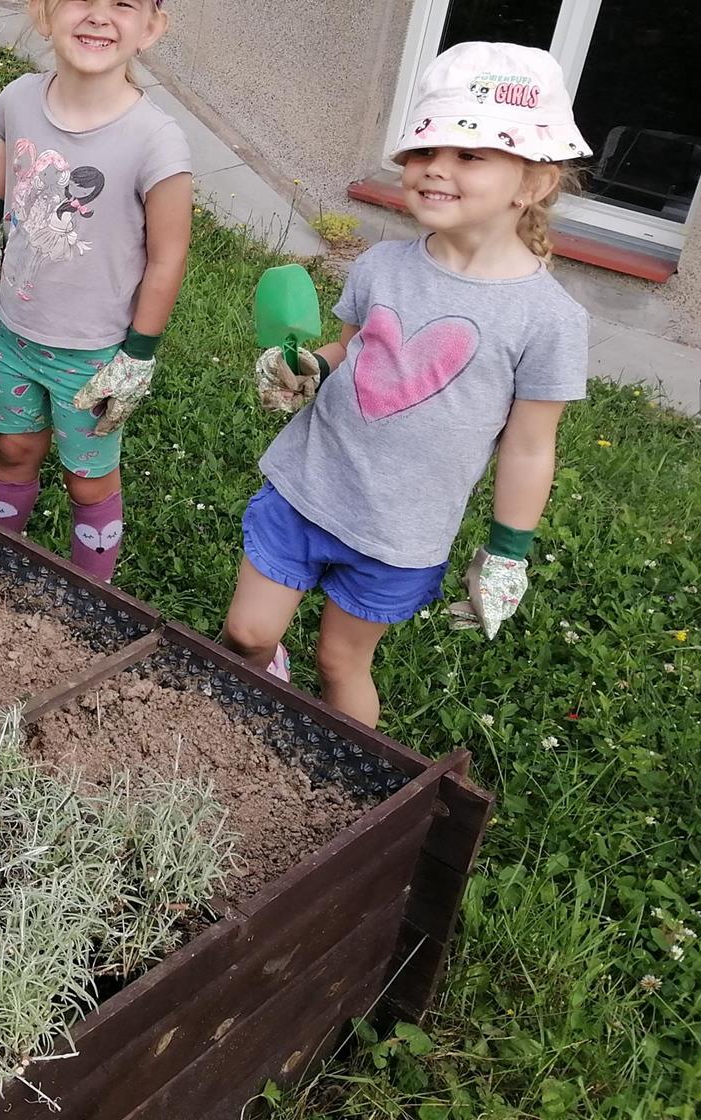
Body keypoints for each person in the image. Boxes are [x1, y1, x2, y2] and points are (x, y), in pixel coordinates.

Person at [222, 41, 591, 725]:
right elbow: (353, 346)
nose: (434, 169)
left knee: (340, 662)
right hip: (307, 485)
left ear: (534, 182)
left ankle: (346, 774)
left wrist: (508, 553)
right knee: (246, 634)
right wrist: (312, 367)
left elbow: (531, 447)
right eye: (424, 152)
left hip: (401, 532)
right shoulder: (382, 264)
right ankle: (247, 712)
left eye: (468, 154)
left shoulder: (550, 320)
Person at [0, 0, 192, 582]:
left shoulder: (156, 143)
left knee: (87, 480)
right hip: (14, 329)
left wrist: (136, 358)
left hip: (95, 353)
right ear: (43, 13)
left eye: (124, 4)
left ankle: (92, 595)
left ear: (152, 27)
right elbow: (6, 146)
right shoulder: (20, 99)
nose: (99, 18)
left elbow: (168, 257)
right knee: (13, 448)